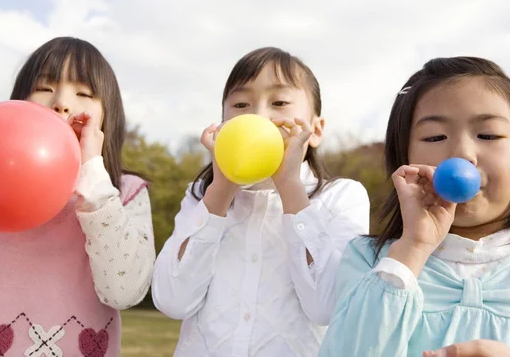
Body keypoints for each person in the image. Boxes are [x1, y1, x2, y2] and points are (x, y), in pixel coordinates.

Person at [0, 37, 155, 357]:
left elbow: (124, 292)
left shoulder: (122, 193)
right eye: (45, 88)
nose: (62, 103)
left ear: (107, 115)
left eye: (84, 93)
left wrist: (93, 178)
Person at [152, 47, 370, 356]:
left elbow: (326, 306)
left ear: (316, 130)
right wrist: (221, 190)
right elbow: (172, 300)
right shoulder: (201, 195)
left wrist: (289, 186)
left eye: (279, 102)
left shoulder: (342, 197)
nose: (258, 118)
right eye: (241, 104)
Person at [319, 57, 510, 357]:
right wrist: (413, 248)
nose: (461, 154)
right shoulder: (368, 261)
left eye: (488, 135)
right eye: (435, 137)